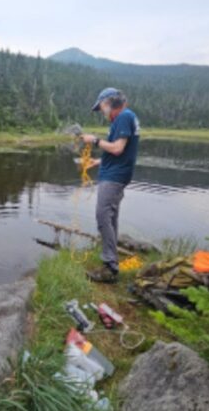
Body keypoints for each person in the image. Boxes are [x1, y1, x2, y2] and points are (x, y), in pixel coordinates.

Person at [80, 87, 140, 283]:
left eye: (102, 107)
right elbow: (118, 153)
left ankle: (109, 267)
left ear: (110, 102)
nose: (102, 112)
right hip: (113, 173)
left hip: (114, 178)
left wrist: (95, 140)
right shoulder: (122, 118)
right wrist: (97, 162)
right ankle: (111, 262)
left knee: (102, 215)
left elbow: (117, 149)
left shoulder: (124, 116)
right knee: (111, 217)